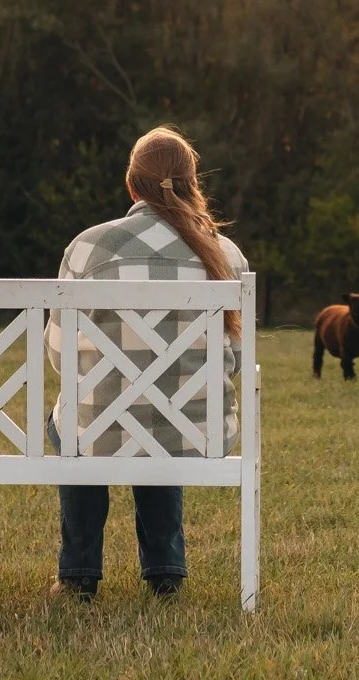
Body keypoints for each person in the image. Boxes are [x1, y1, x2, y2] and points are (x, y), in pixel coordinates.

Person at [50, 125, 247, 602]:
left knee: (78, 419)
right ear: (191, 183)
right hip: (196, 428)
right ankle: (165, 572)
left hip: (100, 427)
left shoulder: (89, 247)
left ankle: (78, 575)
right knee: (161, 415)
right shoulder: (225, 255)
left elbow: (58, 352)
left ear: (131, 184)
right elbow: (235, 360)